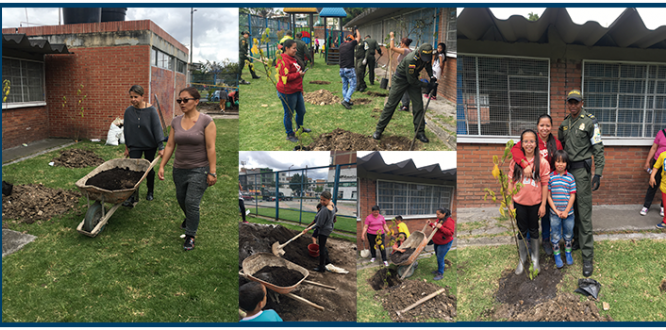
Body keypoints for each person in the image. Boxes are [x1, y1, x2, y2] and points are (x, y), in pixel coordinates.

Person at [158, 87, 217, 251]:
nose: (182, 103)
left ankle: (190, 235)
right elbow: (170, 145)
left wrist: (212, 171)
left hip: (199, 169)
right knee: (181, 199)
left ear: (196, 101)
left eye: (186, 100)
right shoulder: (176, 121)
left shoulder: (206, 121)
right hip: (179, 169)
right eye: (179, 100)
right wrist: (162, 165)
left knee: (191, 202)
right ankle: (190, 218)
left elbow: (211, 147)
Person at [558, 89, 605, 277]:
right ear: (567, 103)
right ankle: (576, 241)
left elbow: (598, 148)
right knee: (572, 210)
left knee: (584, 213)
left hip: (582, 173)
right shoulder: (564, 124)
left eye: (576, 102)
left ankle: (587, 257)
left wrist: (598, 173)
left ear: (582, 103)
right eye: (570, 102)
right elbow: (560, 147)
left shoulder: (590, 121)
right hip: (567, 171)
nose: (573, 105)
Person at [511, 114, 563, 256]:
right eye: (542, 125)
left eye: (547, 125)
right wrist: (524, 164)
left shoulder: (556, 143)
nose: (544, 128)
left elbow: (560, 160)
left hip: (548, 183)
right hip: (532, 183)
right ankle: (528, 240)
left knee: (545, 211)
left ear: (551, 127)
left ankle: (545, 239)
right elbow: (515, 151)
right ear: (537, 127)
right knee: (530, 214)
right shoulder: (532, 140)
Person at [373, 44, 436, 143]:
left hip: (413, 79)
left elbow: (428, 65)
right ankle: (379, 130)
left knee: (418, 106)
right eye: (424, 57)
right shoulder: (411, 59)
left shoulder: (426, 56)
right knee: (391, 105)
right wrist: (427, 85)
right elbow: (411, 81)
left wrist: (432, 77)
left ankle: (420, 133)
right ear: (419, 52)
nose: (426, 59)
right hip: (400, 80)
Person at [508, 129, 550, 275]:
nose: (529, 144)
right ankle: (522, 258)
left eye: (532, 141)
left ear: (536, 143)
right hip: (519, 203)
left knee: (534, 230)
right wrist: (510, 203)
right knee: (521, 231)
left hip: (535, 204)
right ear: (521, 144)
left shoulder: (542, 162)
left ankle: (535, 259)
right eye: (525, 141)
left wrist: (543, 204)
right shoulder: (516, 162)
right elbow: (510, 182)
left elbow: (545, 184)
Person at [122, 85, 165, 207]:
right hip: (135, 145)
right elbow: (127, 130)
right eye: (131, 97)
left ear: (142, 96)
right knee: (133, 171)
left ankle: (150, 191)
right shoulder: (128, 111)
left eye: (136, 97)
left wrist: (161, 146)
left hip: (149, 144)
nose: (133, 99)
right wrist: (126, 147)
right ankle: (132, 196)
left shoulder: (151, 111)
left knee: (148, 169)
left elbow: (157, 129)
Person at [276, 39, 310, 144]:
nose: (296, 50)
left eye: (296, 48)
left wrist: (301, 89)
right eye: (294, 48)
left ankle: (299, 128)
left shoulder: (292, 58)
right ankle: (290, 134)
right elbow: (284, 77)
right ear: (286, 48)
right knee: (289, 113)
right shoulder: (283, 60)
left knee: (301, 111)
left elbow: (296, 75)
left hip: (296, 90)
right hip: (287, 91)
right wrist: (298, 75)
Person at [547, 150, 577, 268]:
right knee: (555, 234)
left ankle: (568, 253)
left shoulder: (570, 178)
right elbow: (548, 196)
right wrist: (555, 210)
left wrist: (566, 211)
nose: (560, 164)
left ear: (567, 163)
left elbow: (572, 196)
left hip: (568, 213)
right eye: (558, 161)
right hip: (554, 213)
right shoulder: (550, 177)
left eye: (563, 162)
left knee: (568, 234)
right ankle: (557, 254)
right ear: (554, 162)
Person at [302, 191, 336, 272]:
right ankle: (328, 262)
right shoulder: (332, 204)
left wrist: (308, 229)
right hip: (329, 228)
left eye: (324, 200)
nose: (322, 202)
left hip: (323, 230)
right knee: (323, 246)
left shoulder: (325, 210)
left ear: (329, 199)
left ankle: (321, 267)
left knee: (321, 248)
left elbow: (319, 224)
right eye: (320, 199)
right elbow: (335, 211)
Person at [641, 128, 666, 216]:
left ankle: (663, 207)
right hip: (658, 163)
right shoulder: (661, 133)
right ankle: (646, 206)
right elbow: (654, 148)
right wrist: (647, 161)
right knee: (653, 183)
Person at [426, 208, 455, 281]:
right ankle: (439, 269)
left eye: (438, 214)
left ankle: (440, 274)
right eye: (436, 214)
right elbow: (435, 227)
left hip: (444, 243)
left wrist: (441, 227)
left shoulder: (449, 221)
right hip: (437, 242)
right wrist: (430, 224)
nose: (437, 215)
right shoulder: (439, 219)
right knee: (438, 256)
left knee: (440, 257)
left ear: (444, 214)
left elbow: (450, 233)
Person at [388, 32, 413, 112]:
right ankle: (405, 105)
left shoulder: (404, 50)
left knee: (401, 89)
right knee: (405, 89)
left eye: (400, 43)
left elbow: (392, 48)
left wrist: (392, 37)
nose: (400, 44)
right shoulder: (410, 50)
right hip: (405, 72)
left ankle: (405, 105)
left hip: (402, 74)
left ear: (403, 43)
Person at [339, 28, 360, 109]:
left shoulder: (341, 45)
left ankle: (346, 100)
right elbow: (358, 38)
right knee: (353, 84)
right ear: (351, 40)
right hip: (349, 69)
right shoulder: (351, 44)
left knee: (345, 85)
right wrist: (357, 30)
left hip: (341, 69)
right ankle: (346, 100)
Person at [649, 150, 666, 229]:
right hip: (664, 186)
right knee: (665, 206)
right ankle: (665, 221)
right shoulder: (663, 155)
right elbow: (656, 167)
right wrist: (652, 176)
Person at [354, 29, 367, 93]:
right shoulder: (355, 42)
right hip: (356, 58)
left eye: (357, 36)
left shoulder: (364, 42)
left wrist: (366, 58)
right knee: (356, 72)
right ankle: (361, 85)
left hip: (361, 58)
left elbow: (367, 50)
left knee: (359, 71)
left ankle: (361, 85)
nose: (356, 38)